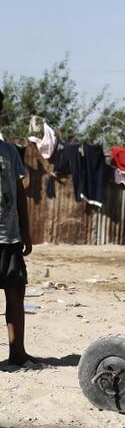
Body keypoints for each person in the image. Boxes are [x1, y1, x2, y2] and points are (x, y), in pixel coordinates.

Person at [0, 88, 35, 369]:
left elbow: (20, 193)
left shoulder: (9, 151)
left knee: (16, 294)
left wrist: (26, 230)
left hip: (9, 237)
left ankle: (18, 352)